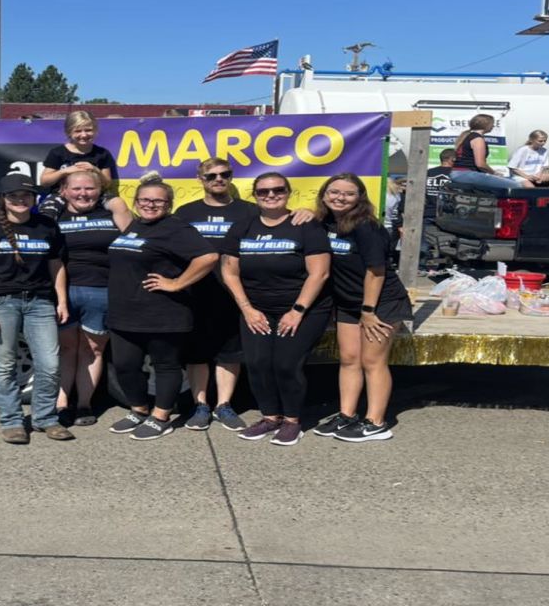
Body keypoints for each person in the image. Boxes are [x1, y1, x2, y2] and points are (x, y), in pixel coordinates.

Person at [221, 172, 333, 447]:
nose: (271, 195)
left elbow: (319, 273)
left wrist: (297, 311)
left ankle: (292, 421)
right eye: (263, 191)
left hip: (303, 309)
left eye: (278, 190)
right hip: (256, 309)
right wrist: (247, 309)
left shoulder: (305, 225)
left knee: (285, 364)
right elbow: (229, 272)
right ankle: (270, 417)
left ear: (288, 192)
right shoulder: (242, 227)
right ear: (255, 196)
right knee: (258, 364)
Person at [104, 174, 219, 441]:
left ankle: (161, 416)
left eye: (158, 201)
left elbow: (208, 256)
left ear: (169, 204)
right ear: (136, 201)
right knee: (125, 365)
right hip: (124, 312)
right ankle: (138, 409)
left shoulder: (176, 228)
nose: (150, 205)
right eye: (144, 200)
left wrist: (177, 283)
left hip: (163, 313)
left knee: (165, 366)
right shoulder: (135, 225)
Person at [0, 173, 71, 444]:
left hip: (40, 302)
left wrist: (61, 300)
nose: (20, 200)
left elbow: (57, 266)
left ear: (34, 198)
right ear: (3, 199)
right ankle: (12, 421)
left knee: (49, 364)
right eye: (13, 195)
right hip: (2, 302)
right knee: (4, 364)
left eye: (26, 195)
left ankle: (45, 418)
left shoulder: (46, 225)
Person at [310, 174, 412, 443]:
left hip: (380, 303)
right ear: (324, 194)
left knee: (372, 361)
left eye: (348, 193)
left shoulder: (366, 226)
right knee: (349, 359)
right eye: (334, 192)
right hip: (347, 303)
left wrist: (368, 311)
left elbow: (376, 271)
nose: (340, 198)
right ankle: (347, 415)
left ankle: (376, 422)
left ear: (360, 198)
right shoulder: (324, 223)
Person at [173, 157, 255, 432]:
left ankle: (224, 405)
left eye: (224, 174)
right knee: (197, 354)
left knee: (230, 354)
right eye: (211, 176)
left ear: (231, 177)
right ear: (200, 179)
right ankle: (200, 405)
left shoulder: (250, 211)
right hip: (195, 294)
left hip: (235, 294)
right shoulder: (185, 212)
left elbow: (283, 223)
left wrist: (305, 213)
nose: (219, 179)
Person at [54, 168, 130, 427]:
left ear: (100, 191)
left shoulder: (111, 213)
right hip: (63, 292)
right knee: (65, 349)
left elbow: (134, 240)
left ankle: (84, 404)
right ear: (64, 191)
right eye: (76, 188)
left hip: (103, 290)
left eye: (90, 188)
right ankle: (61, 403)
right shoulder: (53, 216)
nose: (83, 193)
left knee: (93, 350)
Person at [37, 111, 130, 218]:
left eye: (88, 130)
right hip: (61, 195)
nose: (84, 135)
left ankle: (128, 229)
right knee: (47, 213)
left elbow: (107, 183)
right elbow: (44, 182)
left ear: (95, 131)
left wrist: (96, 170)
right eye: (78, 131)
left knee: (119, 205)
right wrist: (65, 171)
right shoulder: (58, 153)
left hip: (95, 195)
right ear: (69, 132)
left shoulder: (102, 153)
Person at [449, 114, 521, 190]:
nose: (493, 126)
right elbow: (480, 164)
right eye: (492, 124)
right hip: (467, 174)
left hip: (458, 173)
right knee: (516, 185)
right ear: (486, 125)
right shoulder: (477, 139)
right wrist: (494, 173)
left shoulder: (468, 136)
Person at [424, 149, 454, 221]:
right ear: (452, 159)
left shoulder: (429, 172)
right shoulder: (455, 174)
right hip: (447, 215)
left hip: (428, 213)